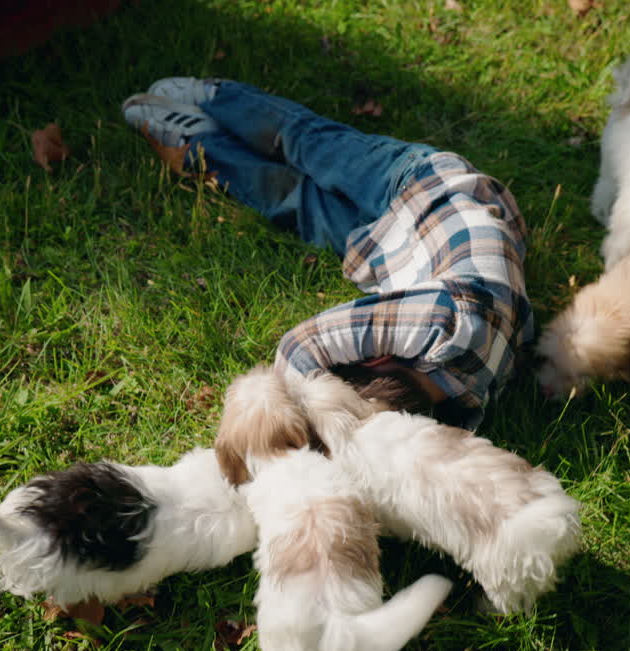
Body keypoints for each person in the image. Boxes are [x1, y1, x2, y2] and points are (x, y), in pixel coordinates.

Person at [122, 78, 533, 430]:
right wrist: (283, 415)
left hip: (393, 252)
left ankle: (199, 142)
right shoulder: (438, 325)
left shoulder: (463, 409)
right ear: (376, 360)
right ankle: (217, 96)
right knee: (310, 145)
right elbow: (298, 345)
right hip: (426, 186)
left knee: (294, 204)